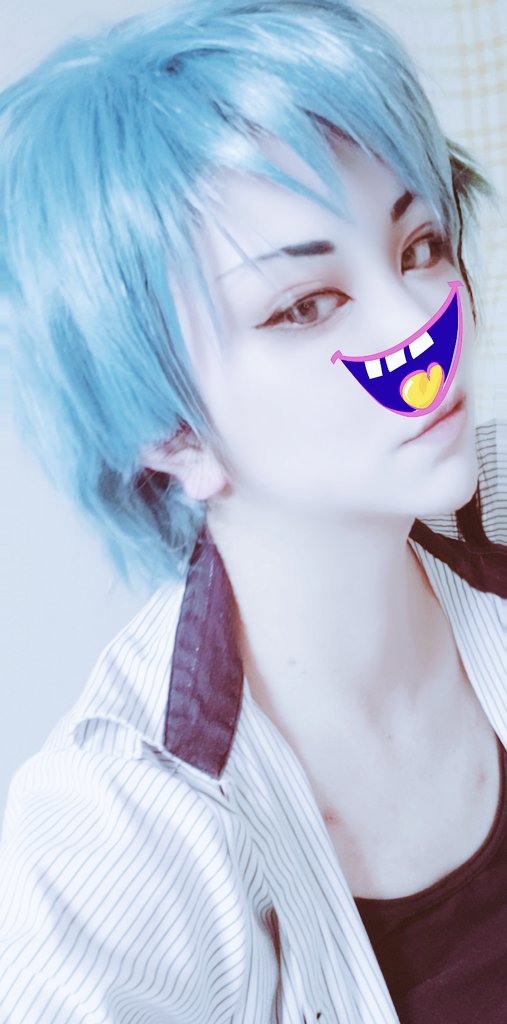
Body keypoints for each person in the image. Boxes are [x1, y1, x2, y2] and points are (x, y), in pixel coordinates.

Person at [0, 1, 506, 1021]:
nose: (418, 323)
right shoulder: (112, 839)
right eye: (305, 305)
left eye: (417, 246)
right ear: (169, 431)